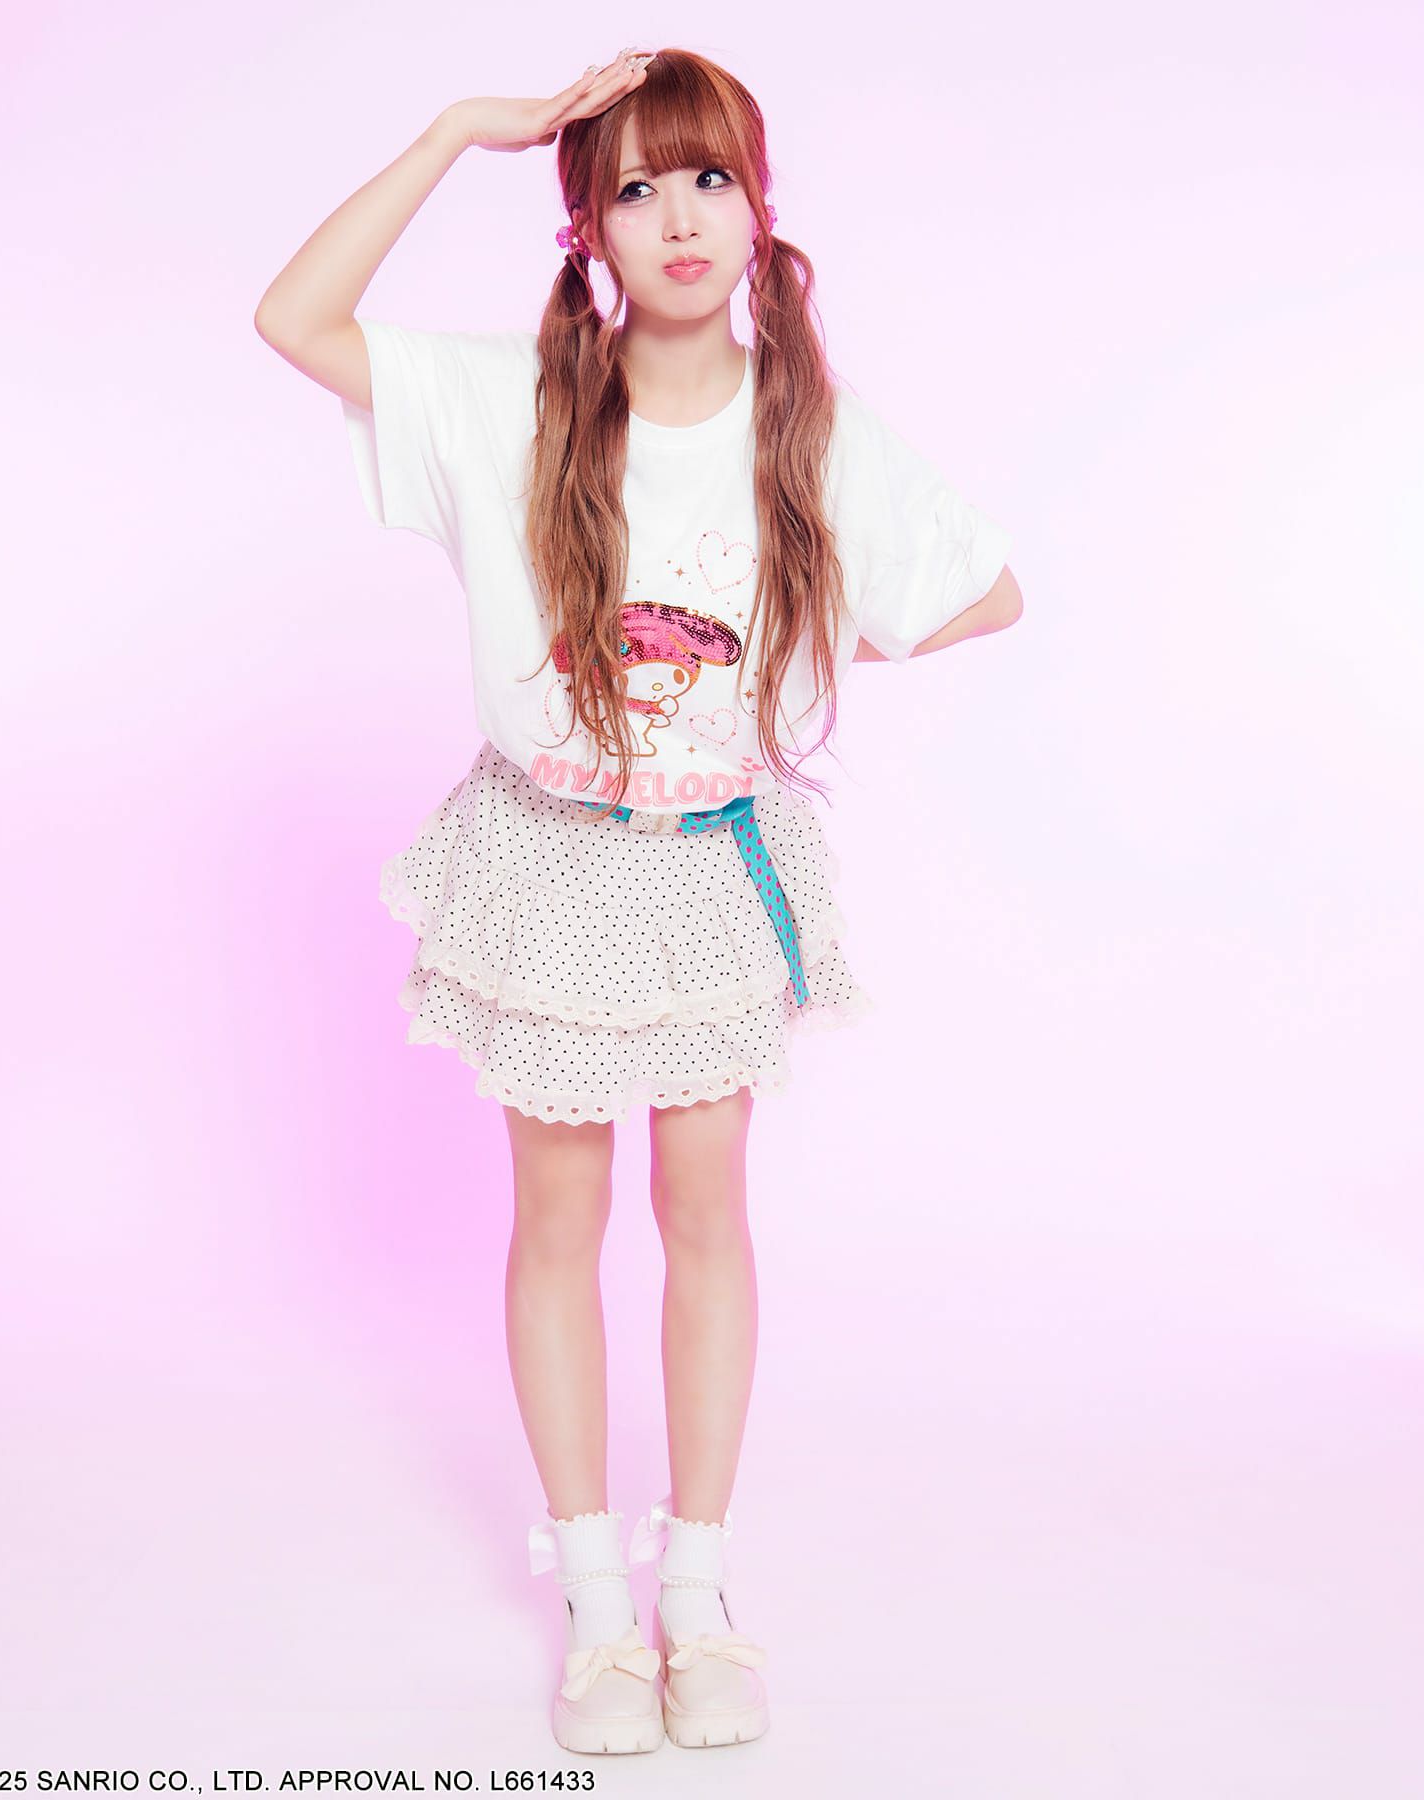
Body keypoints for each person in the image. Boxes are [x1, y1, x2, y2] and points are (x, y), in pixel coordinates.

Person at [254, 44, 1022, 1756]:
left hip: (702, 867)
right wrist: (462, 129)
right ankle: (597, 1604)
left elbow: (989, 590)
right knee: (557, 1217)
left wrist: (806, 639)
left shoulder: (807, 427)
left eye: (711, 179)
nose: (680, 217)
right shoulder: (512, 405)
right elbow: (294, 319)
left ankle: (701, 1593)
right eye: (636, 187)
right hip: (550, 854)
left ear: (759, 208)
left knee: (703, 1212)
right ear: (589, 228)